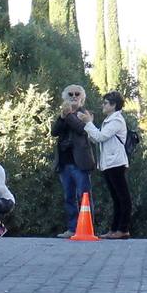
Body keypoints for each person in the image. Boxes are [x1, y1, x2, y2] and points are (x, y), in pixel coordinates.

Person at [83, 90, 135, 240]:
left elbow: (100, 136)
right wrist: (90, 126)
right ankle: (114, 229)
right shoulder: (109, 120)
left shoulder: (116, 121)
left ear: (114, 105)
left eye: (105, 103)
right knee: (116, 197)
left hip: (116, 163)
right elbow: (97, 138)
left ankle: (123, 228)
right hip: (108, 163)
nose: (103, 106)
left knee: (123, 197)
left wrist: (88, 123)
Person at [51, 84, 96, 238]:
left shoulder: (85, 114)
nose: (74, 96)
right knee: (68, 197)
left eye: (77, 94)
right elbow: (54, 132)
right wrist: (62, 117)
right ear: (65, 97)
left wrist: (68, 115)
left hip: (80, 163)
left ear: (82, 98)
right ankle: (72, 228)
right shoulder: (64, 115)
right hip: (65, 162)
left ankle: (87, 228)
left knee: (84, 196)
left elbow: (80, 128)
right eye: (70, 94)